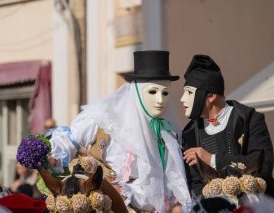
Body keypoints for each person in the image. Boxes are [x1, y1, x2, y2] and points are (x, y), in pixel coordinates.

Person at [45, 51, 192, 212]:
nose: (159, 100)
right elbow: (68, 139)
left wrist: (130, 194)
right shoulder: (105, 115)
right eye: (152, 92)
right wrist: (52, 156)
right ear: (137, 90)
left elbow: (171, 187)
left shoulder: (168, 135)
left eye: (165, 93)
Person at [180, 54, 274, 200]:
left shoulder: (249, 118)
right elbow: (195, 185)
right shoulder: (189, 134)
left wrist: (212, 160)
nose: (182, 99)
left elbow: (262, 166)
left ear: (211, 96)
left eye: (189, 92)